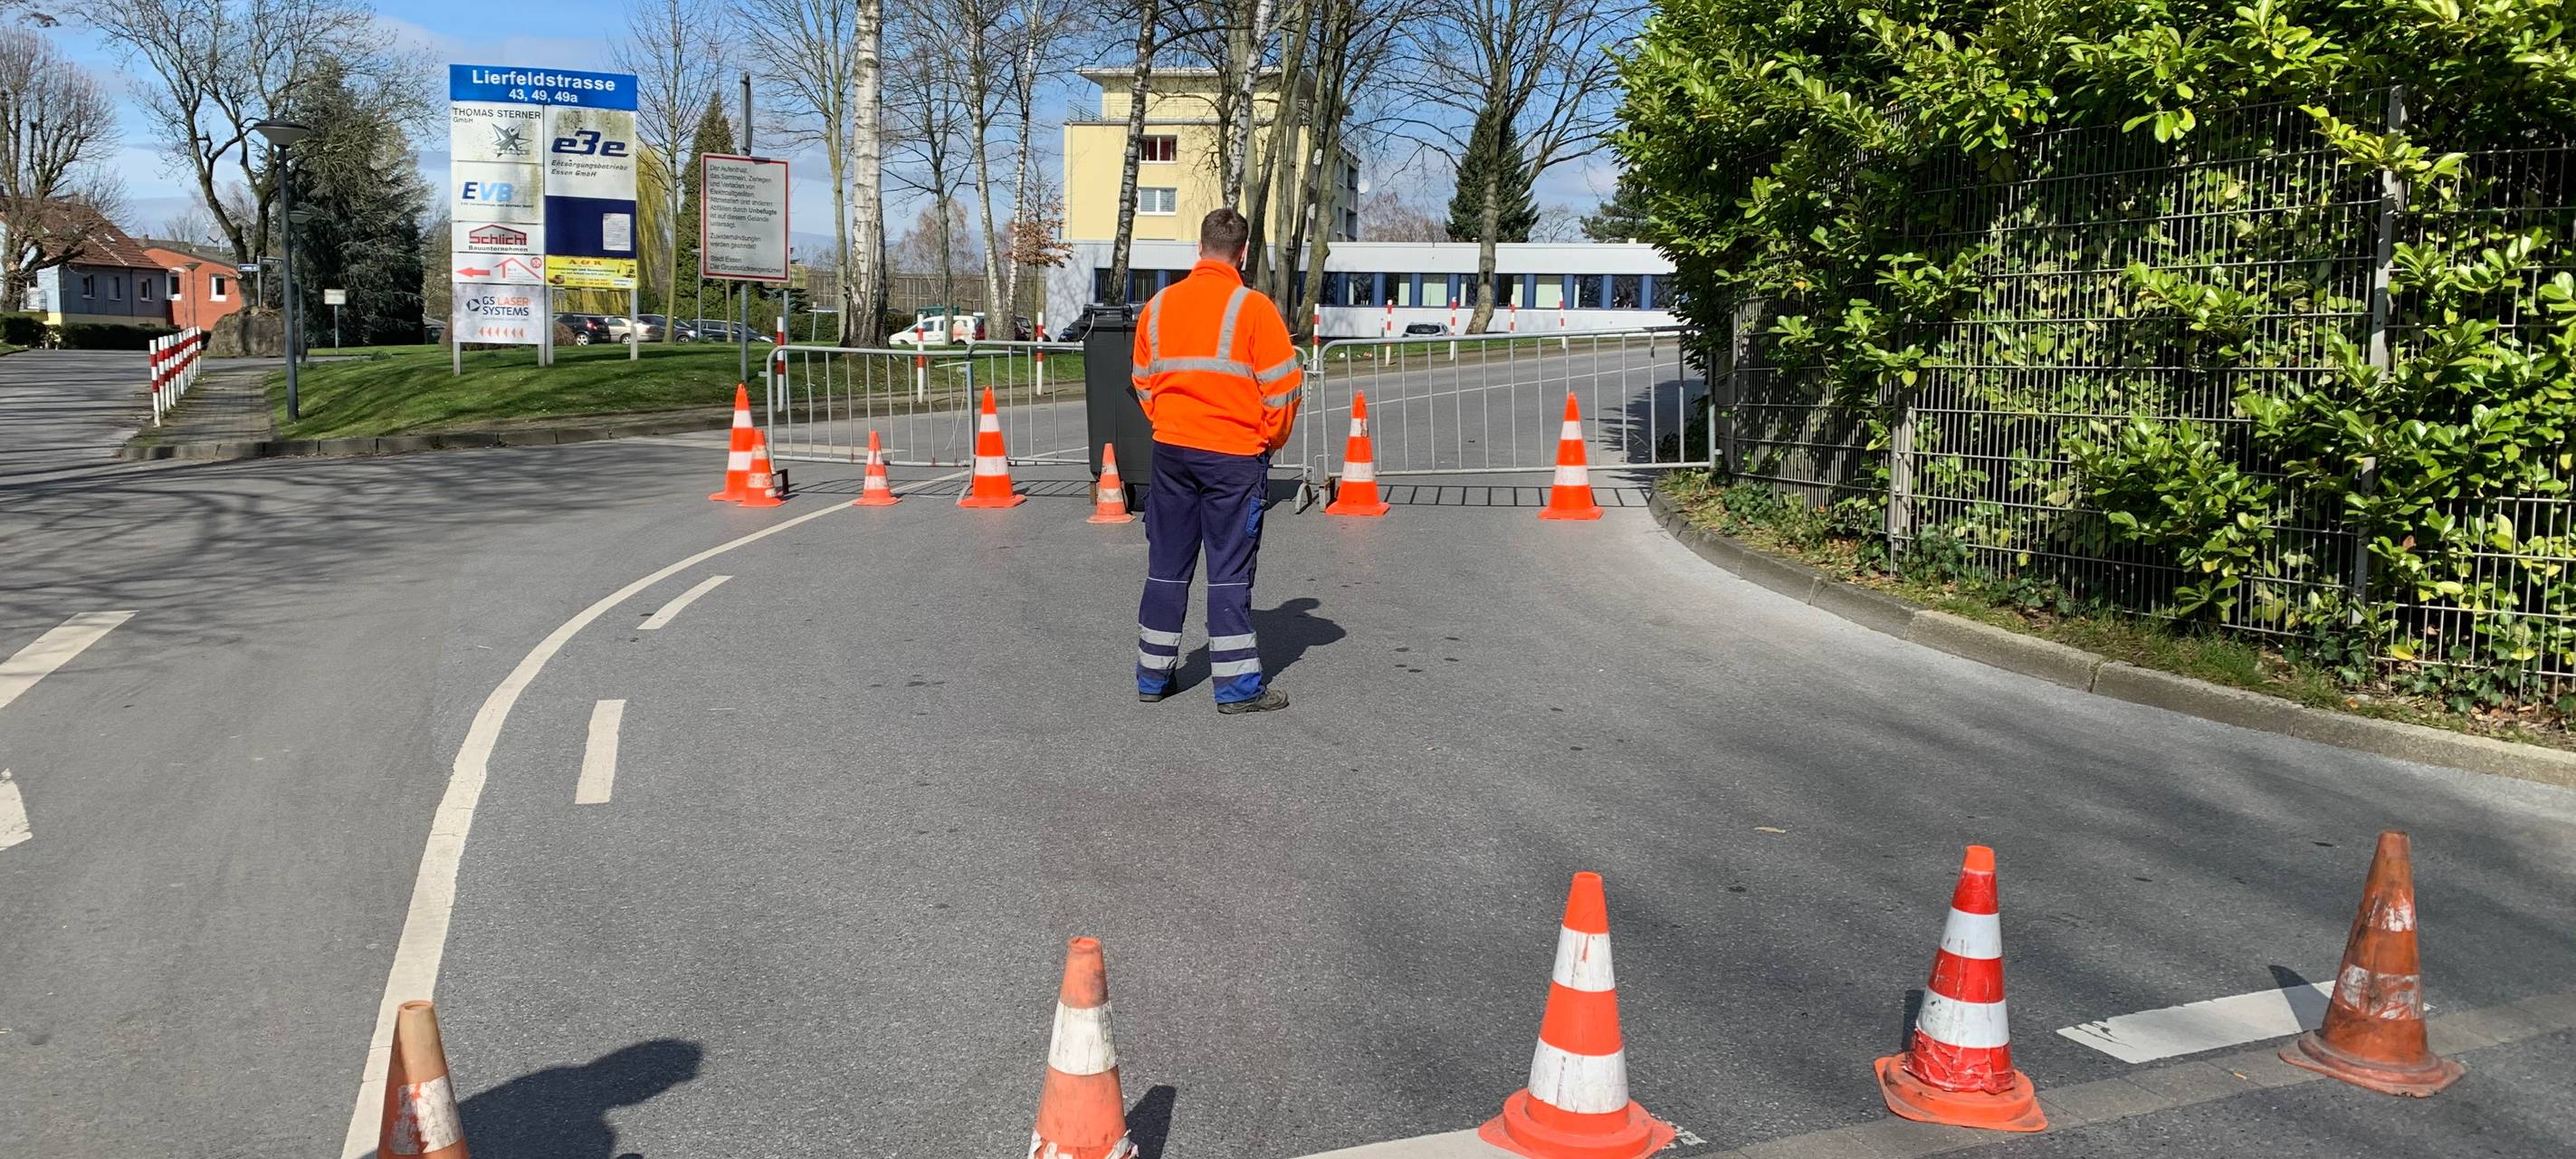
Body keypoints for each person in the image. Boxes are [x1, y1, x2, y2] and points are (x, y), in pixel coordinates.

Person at [1129, 207, 1302, 714]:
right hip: (1232, 456)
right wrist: (1267, 440)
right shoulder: (1254, 309)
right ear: (1242, 254)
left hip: (1172, 451)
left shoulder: (1158, 306)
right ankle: (1236, 689)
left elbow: (1142, 382)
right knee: (1229, 570)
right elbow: (1283, 392)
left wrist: (1170, 421)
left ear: (1198, 247)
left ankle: (1152, 676)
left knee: (1166, 566)